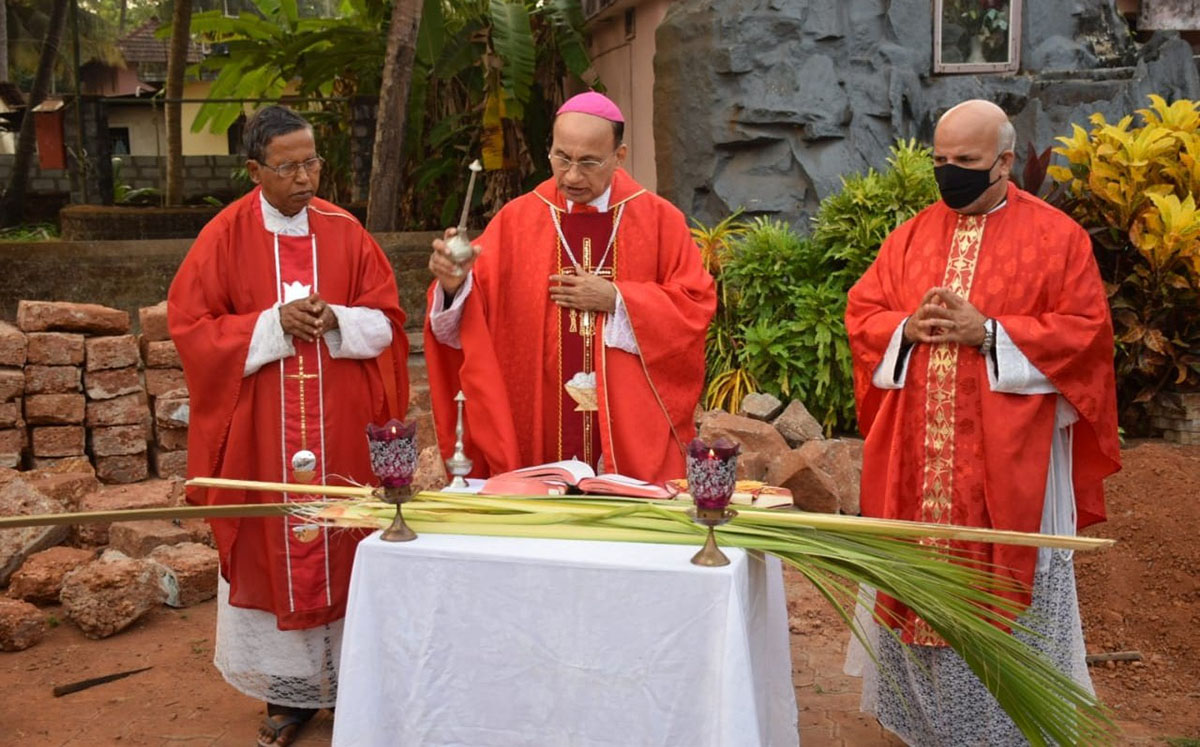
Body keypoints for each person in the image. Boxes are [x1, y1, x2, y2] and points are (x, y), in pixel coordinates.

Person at [843, 99, 1121, 744]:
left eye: (964, 162)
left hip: (1008, 462)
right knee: (914, 586)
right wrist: (904, 328)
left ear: (1002, 160)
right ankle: (926, 730)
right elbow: (864, 314)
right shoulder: (911, 235)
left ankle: (1009, 731)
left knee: (1004, 594)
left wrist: (990, 333)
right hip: (919, 465)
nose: (948, 174)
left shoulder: (1057, 238)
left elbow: (1086, 338)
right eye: (940, 160)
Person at [168, 105, 409, 747]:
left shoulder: (346, 231)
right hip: (262, 433)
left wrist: (336, 321)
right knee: (275, 547)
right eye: (289, 166)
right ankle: (289, 692)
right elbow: (191, 329)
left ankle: (353, 682)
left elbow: (387, 321)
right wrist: (273, 325)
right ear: (255, 170)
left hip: (340, 427)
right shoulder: (223, 236)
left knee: (345, 543)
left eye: (313, 162)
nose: (305, 177)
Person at [424, 91, 715, 483]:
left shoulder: (659, 220)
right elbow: (466, 319)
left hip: (629, 434)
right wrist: (454, 286)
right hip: (537, 424)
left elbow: (694, 306)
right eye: (562, 158)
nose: (572, 176)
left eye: (589, 162)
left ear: (620, 156)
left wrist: (617, 299)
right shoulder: (517, 220)